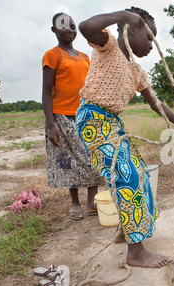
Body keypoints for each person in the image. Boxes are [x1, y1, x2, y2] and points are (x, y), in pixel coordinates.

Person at [76, 7, 174, 268]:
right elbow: (86, 26)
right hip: (92, 120)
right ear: (131, 30)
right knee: (127, 176)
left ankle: (127, 231)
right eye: (148, 37)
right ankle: (135, 253)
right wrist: (122, 15)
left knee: (140, 173)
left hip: (111, 123)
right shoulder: (108, 45)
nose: (150, 44)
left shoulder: (136, 71)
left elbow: (157, 104)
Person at [42, 13, 105, 221]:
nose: (69, 29)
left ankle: (91, 202)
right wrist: (51, 125)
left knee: (92, 157)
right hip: (61, 116)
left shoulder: (85, 57)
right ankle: (75, 202)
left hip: (85, 114)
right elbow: (46, 91)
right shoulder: (52, 55)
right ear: (54, 30)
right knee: (69, 160)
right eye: (62, 26)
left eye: (72, 26)